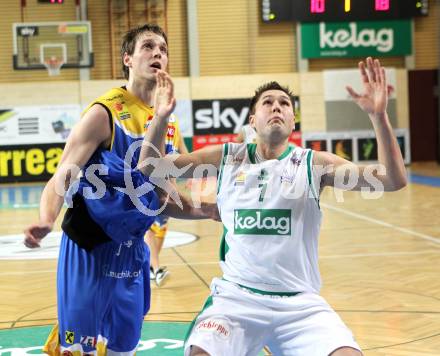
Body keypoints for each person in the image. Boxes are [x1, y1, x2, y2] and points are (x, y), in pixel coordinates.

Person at [139, 57, 407, 356]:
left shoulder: (314, 164)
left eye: (284, 103)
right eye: (267, 102)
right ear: (252, 120)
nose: (276, 106)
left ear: (294, 120)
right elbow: (151, 168)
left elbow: (391, 179)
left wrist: (379, 117)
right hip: (236, 299)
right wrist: (161, 118)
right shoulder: (227, 156)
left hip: (300, 304)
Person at [23, 24, 215, 355]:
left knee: (123, 348)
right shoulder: (104, 112)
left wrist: (210, 211)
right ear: (127, 58)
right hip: (89, 247)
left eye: (164, 49)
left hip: (131, 251)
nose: (158, 53)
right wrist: (46, 218)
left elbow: (161, 198)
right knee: (79, 350)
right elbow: (63, 175)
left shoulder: (166, 120)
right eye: (148, 47)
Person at [146, 136, 189, 287]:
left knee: (161, 225)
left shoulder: (174, 124)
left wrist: (191, 175)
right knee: (148, 227)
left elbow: (184, 153)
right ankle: (156, 269)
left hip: (168, 184)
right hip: (148, 182)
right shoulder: (151, 121)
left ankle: (151, 266)